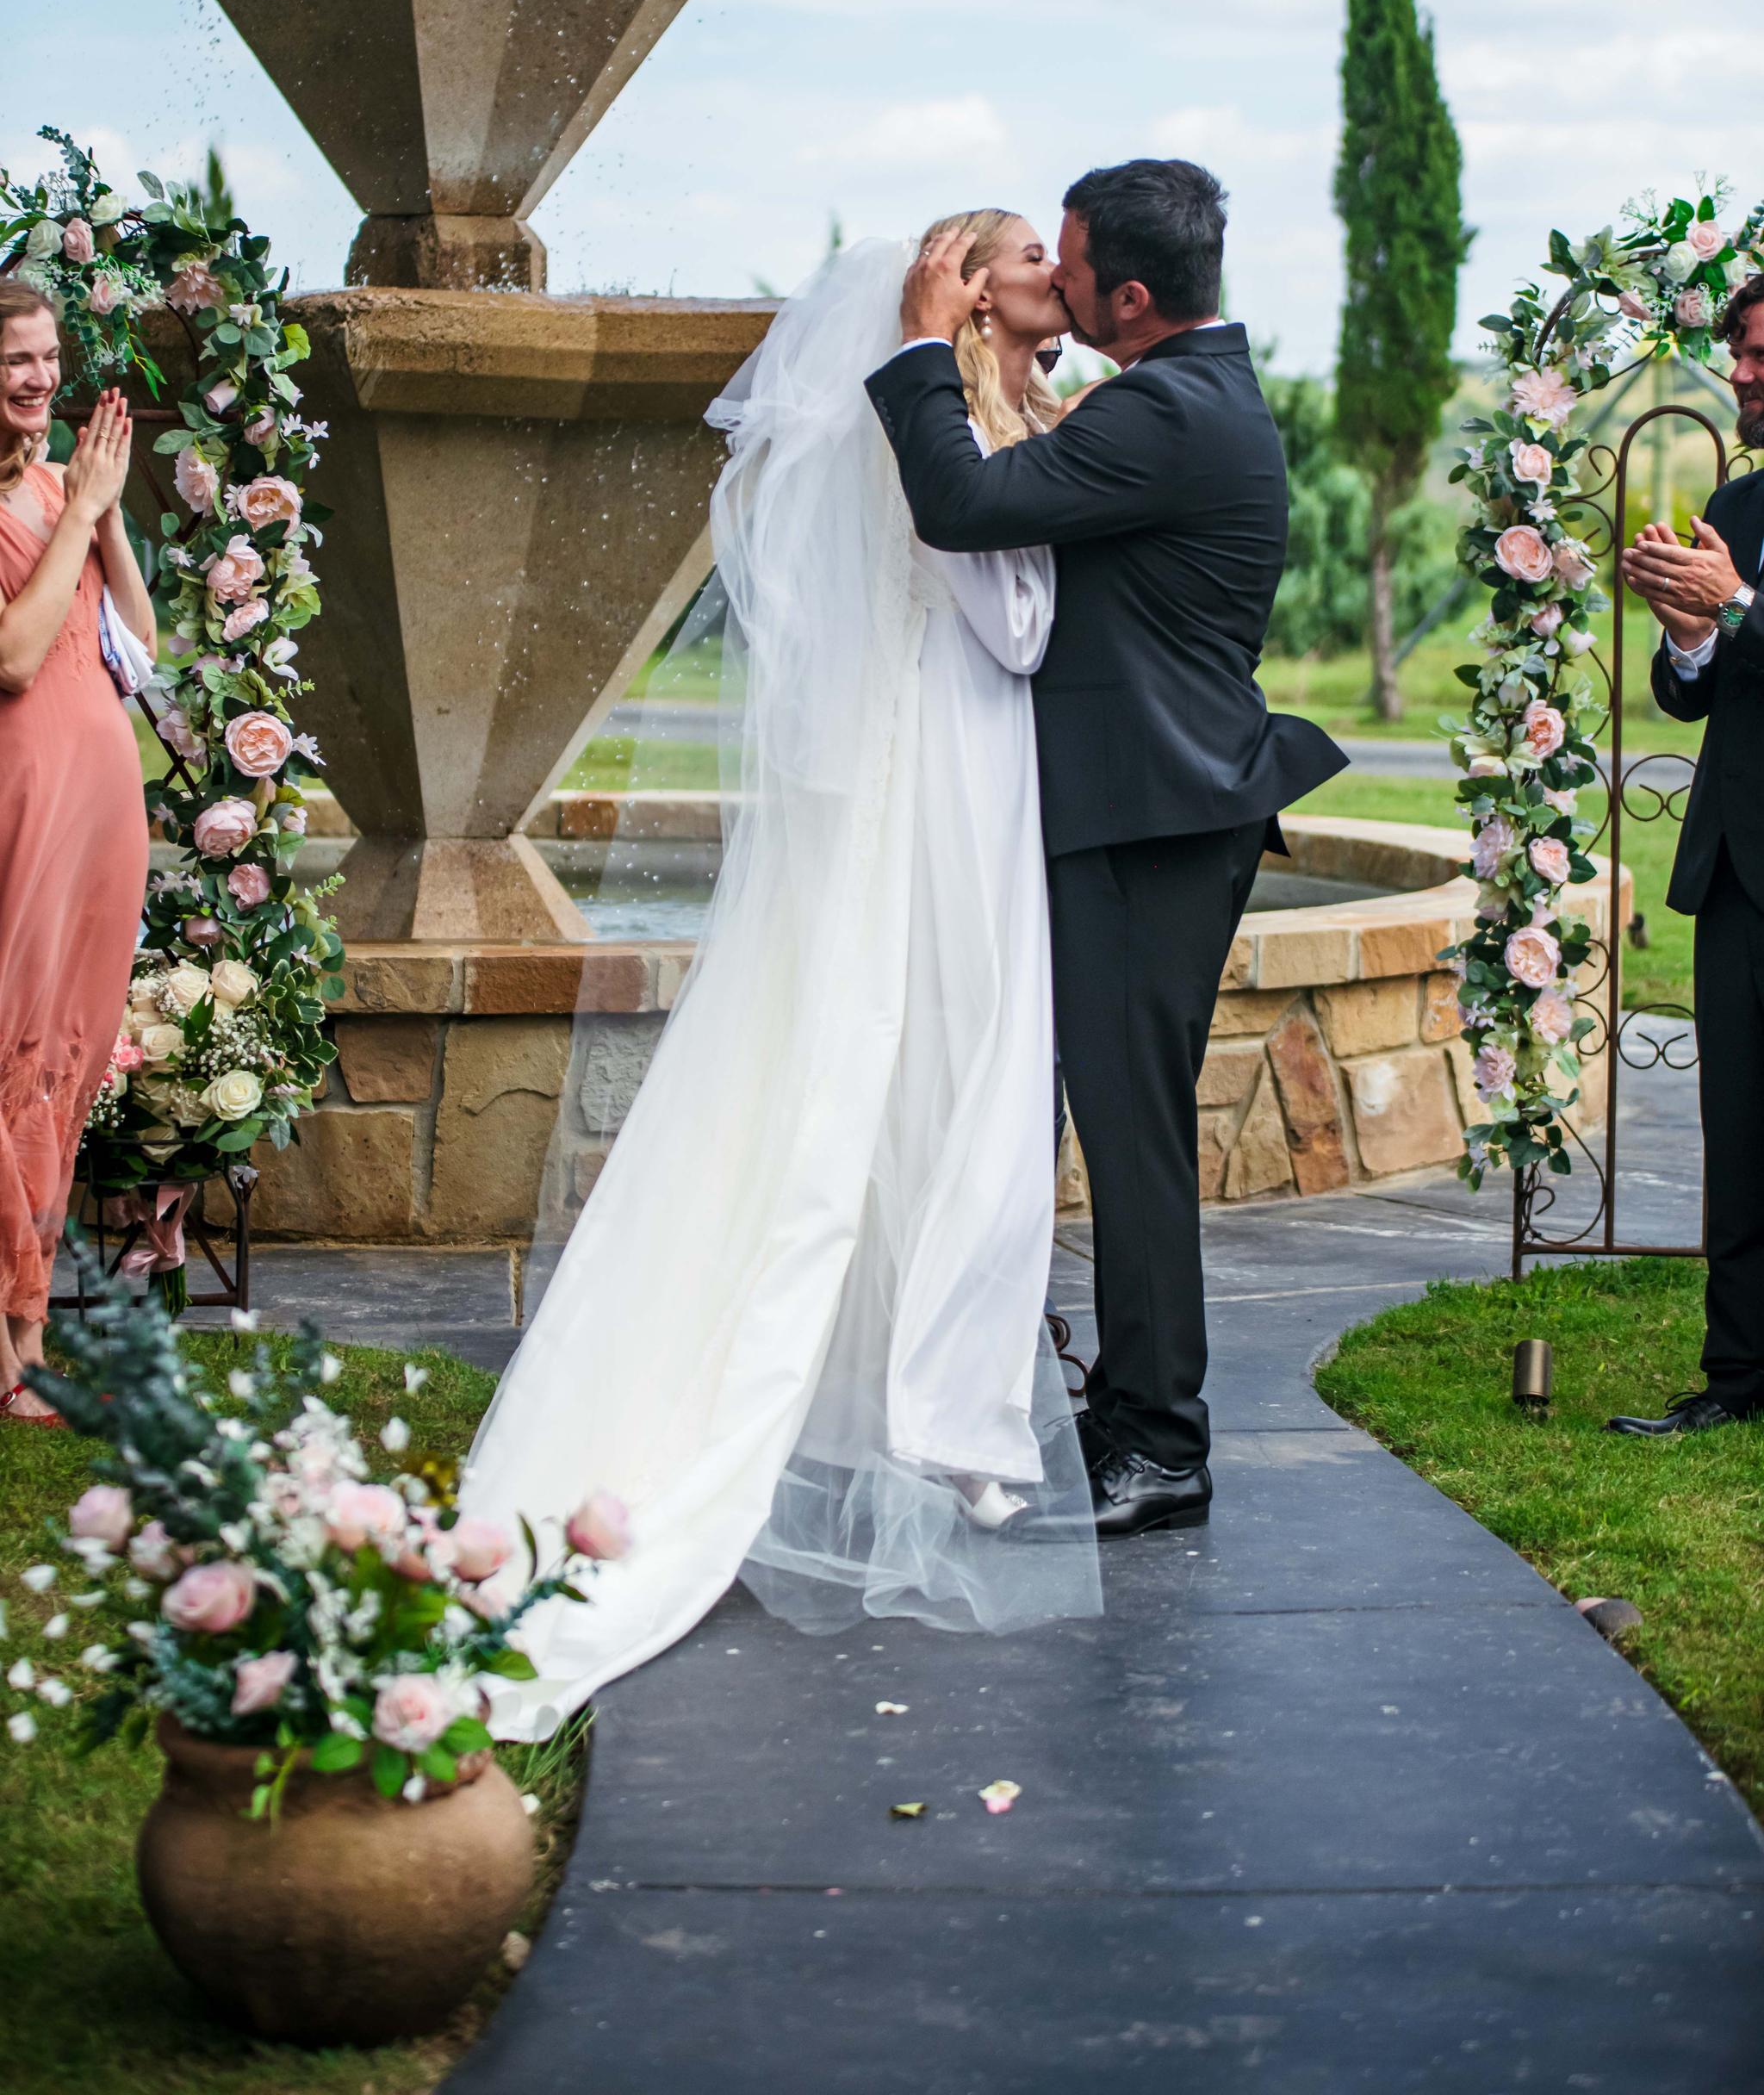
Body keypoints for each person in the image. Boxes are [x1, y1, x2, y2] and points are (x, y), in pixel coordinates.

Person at [461, 216, 1102, 1734]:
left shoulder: (959, 410)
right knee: (944, 1071)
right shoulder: (931, 423)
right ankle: (940, 1414)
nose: (1046, 273)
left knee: (911, 1071)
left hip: (931, 776)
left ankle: (932, 1405)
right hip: (947, 782)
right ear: (958, 284)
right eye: (1017, 252)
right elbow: (1013, 628)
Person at [866, 159, 1346, 1536]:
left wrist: (915, 345)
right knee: (1123, 1121)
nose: (1059, 287)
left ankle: (1162, 1445)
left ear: (1129, 297)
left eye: (1071, 270)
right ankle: (1133, 1409)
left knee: (1134, 1136)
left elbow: (961, 507)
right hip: (1155, 808)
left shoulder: (1166, 414)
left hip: (1155, 817)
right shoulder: (1171, 397)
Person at [1610, 270, 1764, 1435]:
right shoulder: (1744, 502)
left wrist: (1742, 608)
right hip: (1736, 869)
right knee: (1739, 1139)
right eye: (1740, 352)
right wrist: (1690, 634)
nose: (1743, 373)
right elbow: (1694, 694)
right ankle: (1737, 1381)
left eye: (1759, 353)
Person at [0, 284, 154, 1420]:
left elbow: (137, 648)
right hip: (23, 798)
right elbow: (10, 656)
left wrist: (101, 513)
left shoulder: (67, 484)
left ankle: (32, 1322)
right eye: (16, 360)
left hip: (104, 809)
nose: (39, 379)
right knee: (7, 1049)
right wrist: (75, 514)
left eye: (48, 357)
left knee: (64, 1055)